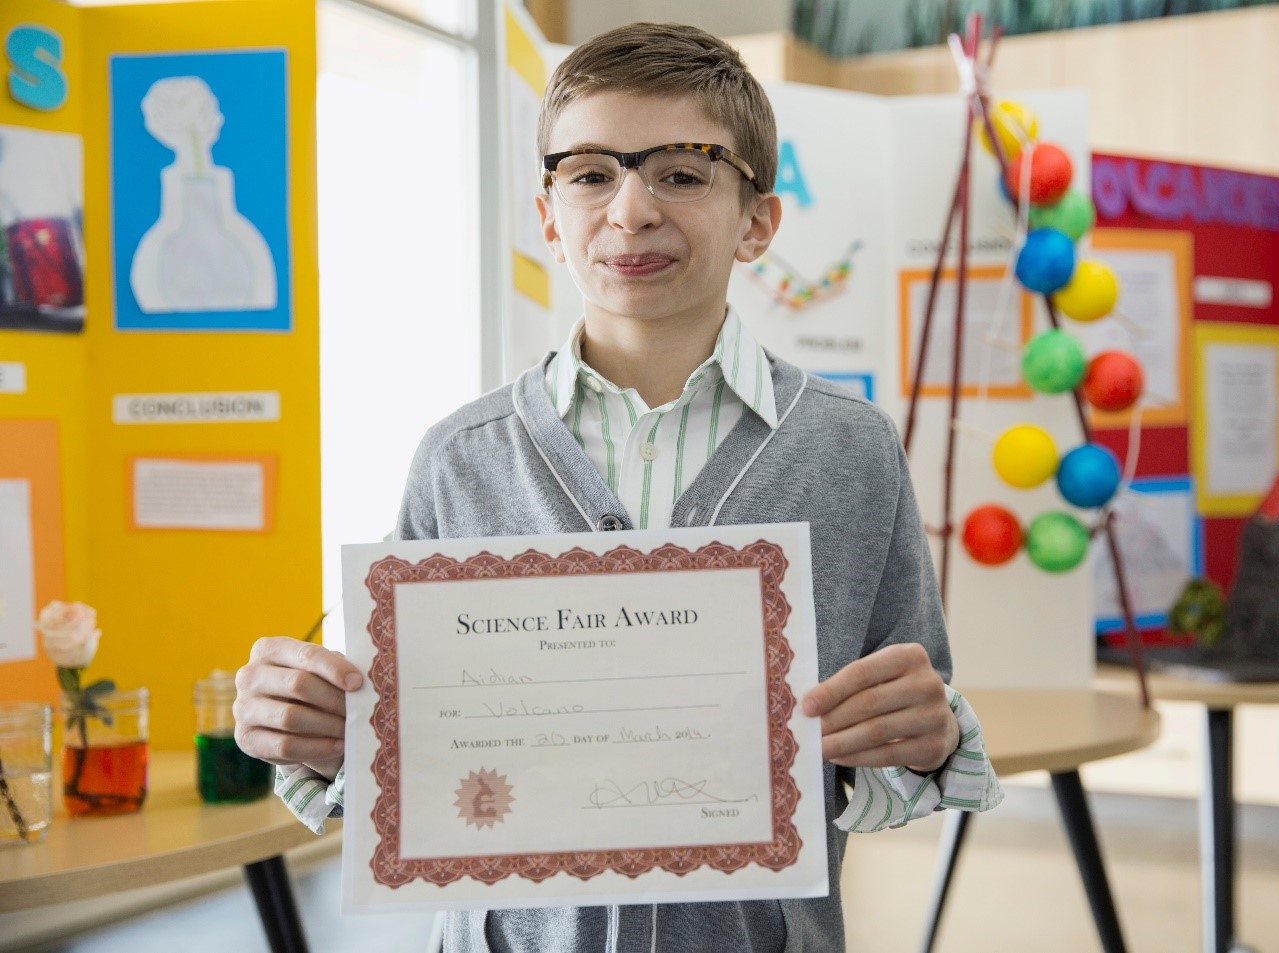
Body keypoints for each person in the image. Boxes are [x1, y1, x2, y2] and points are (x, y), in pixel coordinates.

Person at [234, 22, 1002, 952]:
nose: (630, 210)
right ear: (548, 215)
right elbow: (415, 765)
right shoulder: (459, 459)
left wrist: (927, 736)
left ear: (757, 220)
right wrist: (329, 736)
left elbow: (907, 743)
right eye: (590, 172)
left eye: (683, 171)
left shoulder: (853, 452)